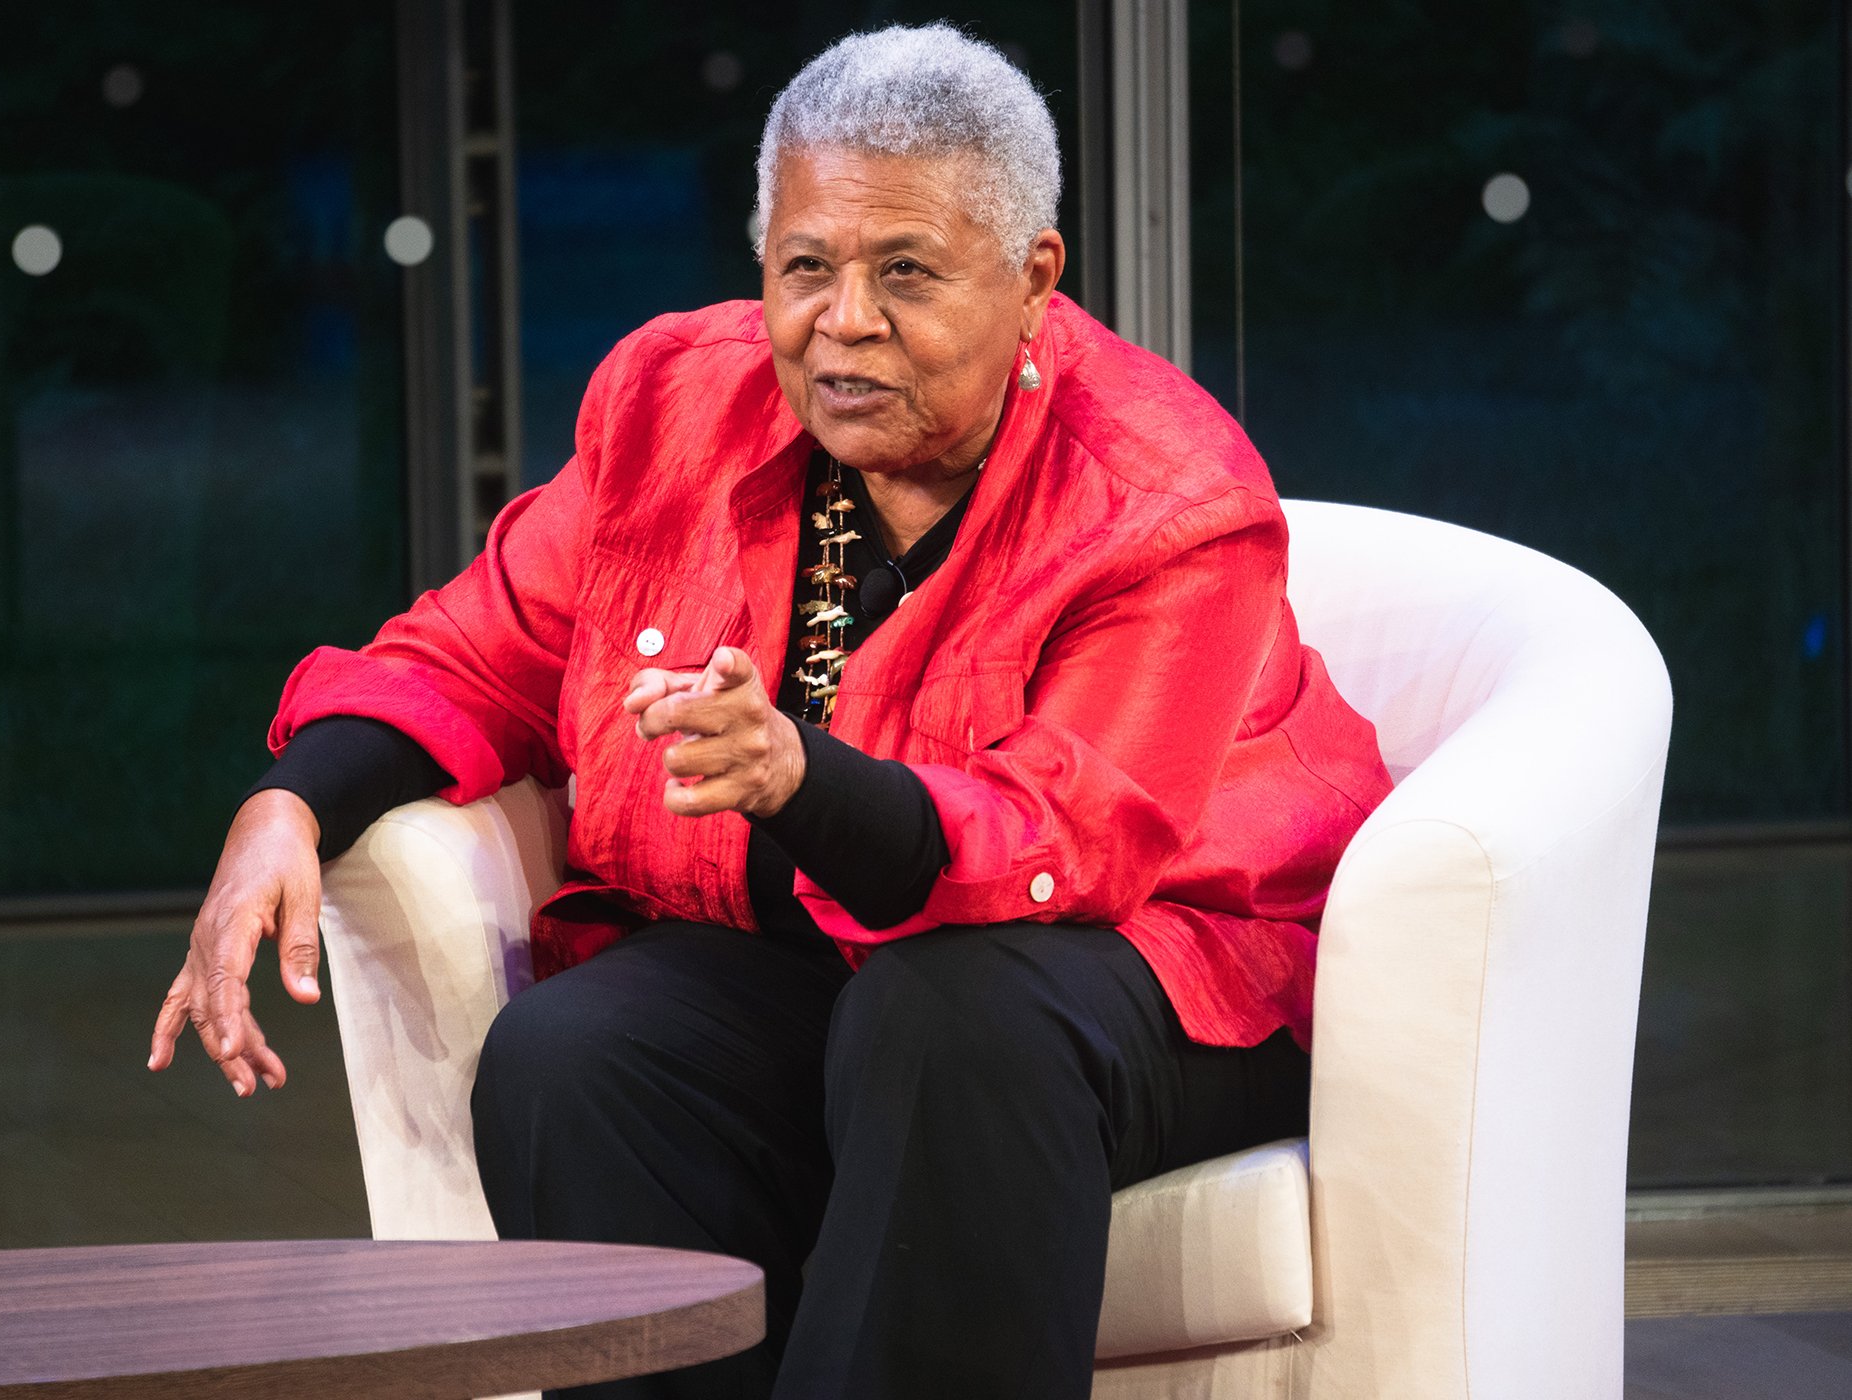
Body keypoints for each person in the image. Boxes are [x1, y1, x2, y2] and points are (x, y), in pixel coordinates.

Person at [148, 24, 1392, 1400]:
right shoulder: (681, 404)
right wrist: (291, 805)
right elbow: (478, 648)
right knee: (578, 1057)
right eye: (808, 267)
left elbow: (1065, 840)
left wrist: (801, 779)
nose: (842, 321)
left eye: (906, 272)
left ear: (1034, 278)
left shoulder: (1163, 497)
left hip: (1164, 973)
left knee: (950, 1015)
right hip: (842, 967)